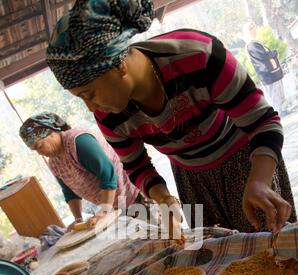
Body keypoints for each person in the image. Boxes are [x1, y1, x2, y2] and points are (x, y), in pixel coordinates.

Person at [46, 0, 297, 233]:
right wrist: (164, 198)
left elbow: (263, 121)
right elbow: (136, 165)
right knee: (223, 256)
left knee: (275, 248)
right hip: (190, 179)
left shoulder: (197, 55)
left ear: (118, 65)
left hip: (249, 162)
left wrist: (260, 180)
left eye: (89, 94)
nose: (91, 108)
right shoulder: (108, 114)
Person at [19, 112, 142, 230]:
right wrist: (78, 219)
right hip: (113, 206)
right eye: (35, 150)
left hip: (133, 196)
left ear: (52, 132)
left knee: (153, 235)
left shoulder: (78, 141)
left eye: (39, 146)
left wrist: (104, 211)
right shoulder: (54, 163)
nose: (40, 153)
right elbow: (69, 192)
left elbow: (108, 174)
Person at [245, 21, 286, 116]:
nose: (253, 29)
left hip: (271, 75)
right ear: (247, 32)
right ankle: (278, 115)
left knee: (278, 96)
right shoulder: (251, 45)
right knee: (275, 97)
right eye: (250, 28)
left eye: (254, 27)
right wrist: (274, 53)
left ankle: (281, 112)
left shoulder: (255, 43)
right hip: (269, 76)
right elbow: (263, 56)